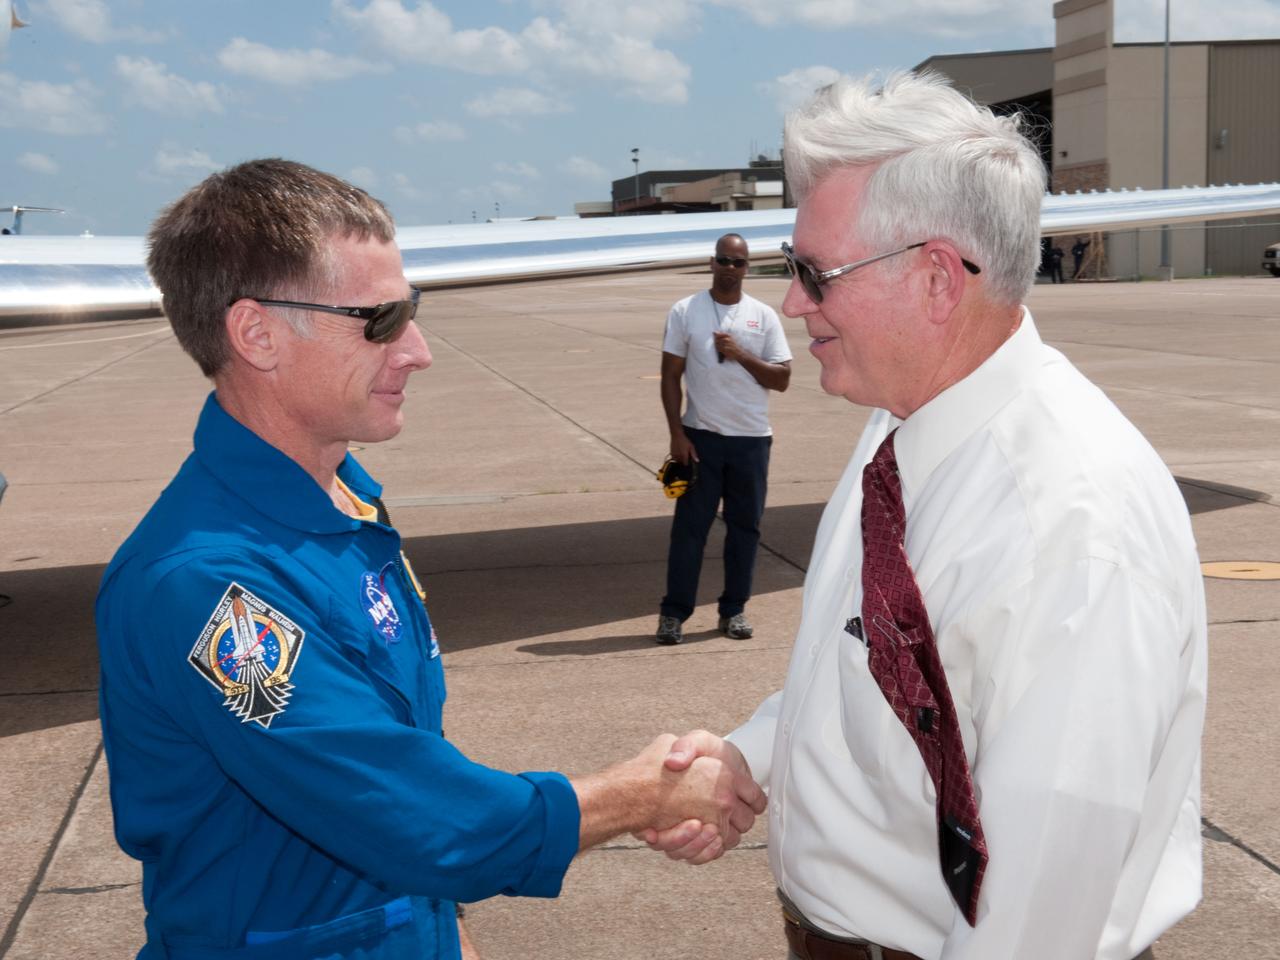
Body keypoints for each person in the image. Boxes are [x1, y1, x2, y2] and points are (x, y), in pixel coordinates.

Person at [95, 159, 765, 960]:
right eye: (379, 321)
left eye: (411, 312)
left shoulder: (344, 505)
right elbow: (416, 815)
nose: (417, 350)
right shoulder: (206, 585)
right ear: (257, 334)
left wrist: (450, 935)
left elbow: (403, 772)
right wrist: (641, 794)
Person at [644, 72, 1206, 960]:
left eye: (812, 272)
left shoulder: (1071, 525)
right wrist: (752, 754)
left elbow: (1037, 917)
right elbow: (874, 672)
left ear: (938, 279)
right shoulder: (903, 425)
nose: (791, 302)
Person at [656, 233, 792, 645]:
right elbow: (669, 376)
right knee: (689, 531)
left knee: (744, 530)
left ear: (747, 267)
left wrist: (741, 354)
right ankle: (673, 614)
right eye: (723, 260)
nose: (730, 268)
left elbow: (783, 379)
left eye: (738, 262)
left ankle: (733, 610)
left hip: (751, 441)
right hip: (702, 439)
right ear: (711, 263)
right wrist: (677, 434)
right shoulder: (685, 311)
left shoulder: (763, 316)